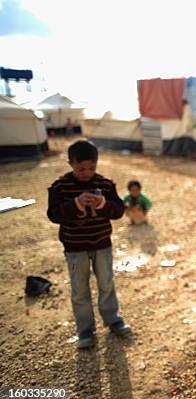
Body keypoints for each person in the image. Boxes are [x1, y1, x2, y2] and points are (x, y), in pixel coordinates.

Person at [47, 140, 131, 349]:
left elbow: (119, 211)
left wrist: (102, 204)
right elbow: (54, 215)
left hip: (102, 244)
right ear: (70, 163)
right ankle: (85, 330)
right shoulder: (60, 187)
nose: (86, 173)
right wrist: (75, 204)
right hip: (75, 248)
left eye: (91, 168)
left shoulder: (104, 184)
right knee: (79, 290)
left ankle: (113, 319)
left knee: (106, 284)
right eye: (81, 168)